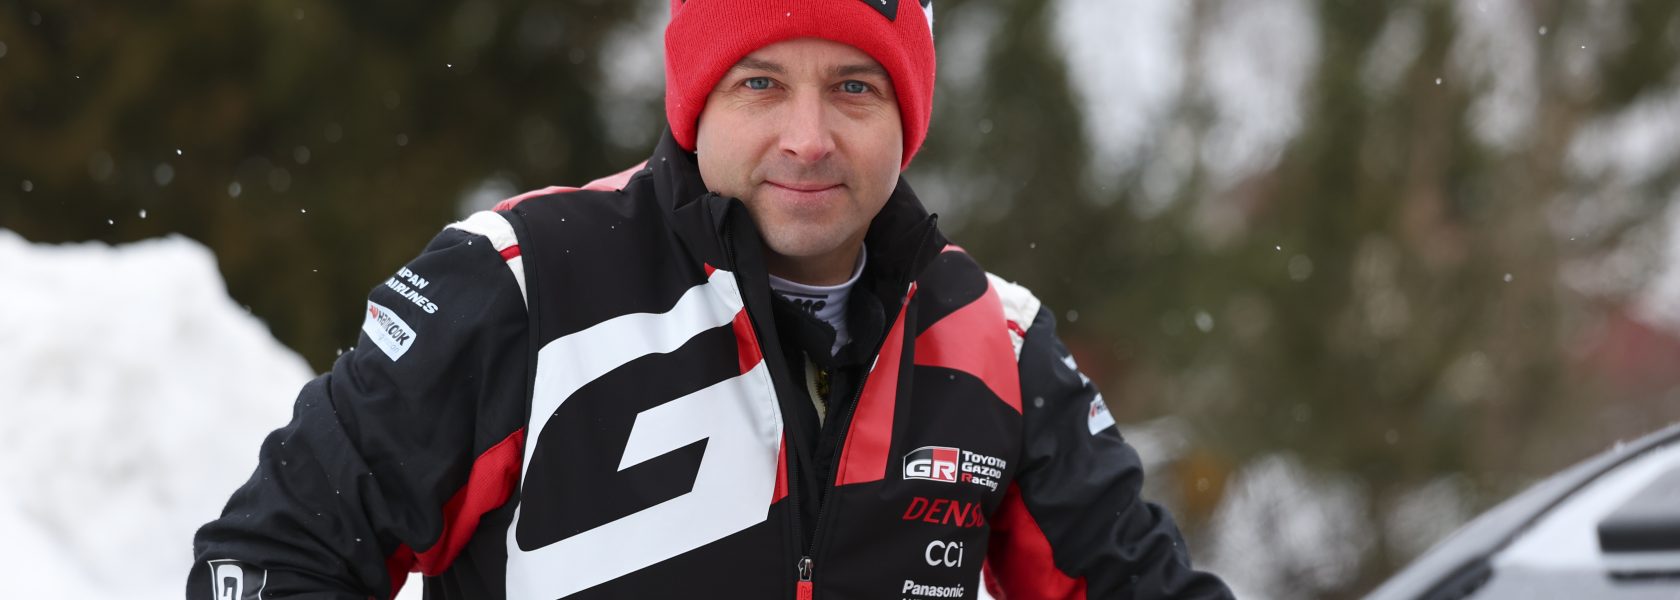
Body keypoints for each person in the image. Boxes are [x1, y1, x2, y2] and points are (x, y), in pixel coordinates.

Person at [190, 1, 1233, 598]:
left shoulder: (991, 338)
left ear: (906, 118)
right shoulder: (522, 279)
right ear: (698, 103)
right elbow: (274, 557)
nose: (809, 139)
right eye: (761, 83)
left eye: (855, 87)